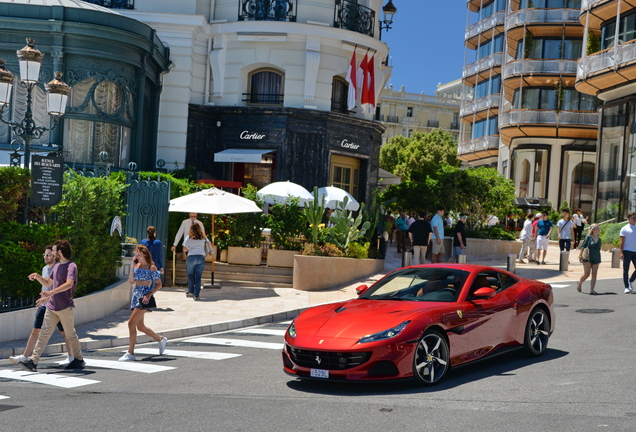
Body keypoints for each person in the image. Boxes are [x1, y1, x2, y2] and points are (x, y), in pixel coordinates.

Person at [19, 240, 84, 371]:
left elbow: (69, 284)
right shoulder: (56, 266)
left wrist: (51, 292)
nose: (52, 253)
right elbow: (49, 283)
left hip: (66, 307)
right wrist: (37, 276)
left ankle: (79, 359)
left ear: (60, 252)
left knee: (70, 335)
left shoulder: (71, 266)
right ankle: (33, 361)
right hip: (52, 306)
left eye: (54, 251)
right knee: (44, 333)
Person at [9, 246, 73, 366]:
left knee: (65, 332)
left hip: (56, 304)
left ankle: (71, 357)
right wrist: (41, 299)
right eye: (44, 255)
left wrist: (46, 298)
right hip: (45, 305)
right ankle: (24, 356)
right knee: (35, 330)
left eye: (48, 254)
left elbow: (59, 290)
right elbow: (45, 286)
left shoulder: (59, 268)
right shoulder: (44, 269)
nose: (45, 257)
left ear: (55, 256)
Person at [119, 245, 167, 362]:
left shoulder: (152, 268)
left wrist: (150, 294)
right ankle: (160, 339)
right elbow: (131, 281)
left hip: (144, 297)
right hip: (136, 296)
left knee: (131, 323)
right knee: (140, 327)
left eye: (138, 255)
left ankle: (130, 353)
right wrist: (132, 266)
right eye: (135, 254)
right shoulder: (137, 266)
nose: (136, 257)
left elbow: (158, 284)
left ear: (144, 255)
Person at [183, 223, 213, 300]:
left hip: (191, 257)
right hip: (201, 257)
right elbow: (209, 244)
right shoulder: (203, 237)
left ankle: (191, 291)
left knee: (190, 275)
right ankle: (196, 294)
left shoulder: (188, 237)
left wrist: (190, 248)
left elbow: (185, 249)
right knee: (198, 277)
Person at [577, 224, 602, 295]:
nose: (597, 230)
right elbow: (582, 246)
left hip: (596, 257)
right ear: (592, 230)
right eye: (596, 228)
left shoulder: (599, 239)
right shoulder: (588, 237)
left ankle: (592, 290)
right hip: (588, 257)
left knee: (594, 274)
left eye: (598, 228)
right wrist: (580, 255)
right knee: (587, 274)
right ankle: (580, 282)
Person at [619, 213, 636, 293]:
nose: (634, 219)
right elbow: (621, 242)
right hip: (627, 251)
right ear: (628, 218)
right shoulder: (624, 228)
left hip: (635, 251)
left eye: (635, 217)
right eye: (633, 217)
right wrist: (621, 252)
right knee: (626, 270)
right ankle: (626, 287)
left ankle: (631, 280)